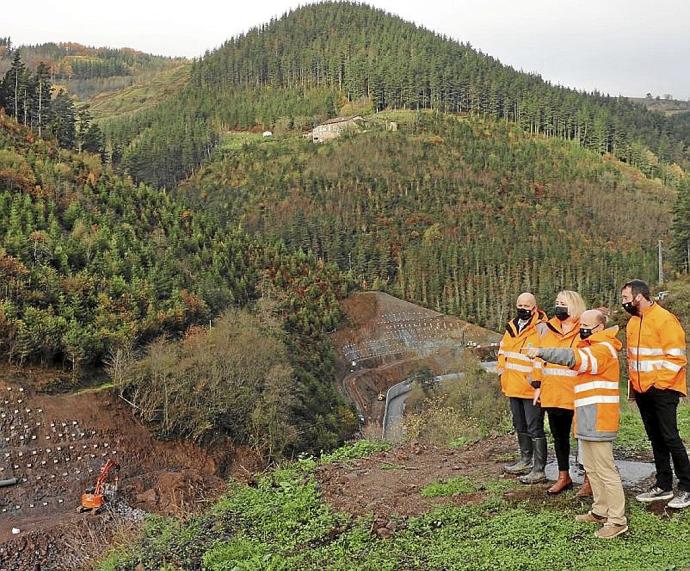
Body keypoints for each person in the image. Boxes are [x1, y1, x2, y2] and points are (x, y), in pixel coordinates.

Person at [528, 309, 628, 539]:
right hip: (586, 418)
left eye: (585, 324)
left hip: (599, 418)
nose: (580, 326)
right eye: (580, 322)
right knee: (592, 468)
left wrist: (542, 352)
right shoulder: (591, 346)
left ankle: (617, 520)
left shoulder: (603, 349)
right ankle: (601, 510)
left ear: (599, 327)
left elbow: (574, 359)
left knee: (605, 470)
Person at [621, 279, 690, 509]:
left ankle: (687, 487)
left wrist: (659, 385)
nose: (624, 303)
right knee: (655, 438)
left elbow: (677, 356)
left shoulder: (665, 319)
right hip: (642, 391)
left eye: (625, 298)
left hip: (663, 389)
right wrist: (635, 388)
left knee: (670, 437)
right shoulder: (632, 322)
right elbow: (632, 359)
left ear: (639, 297)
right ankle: (663, 484)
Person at [531, 290, 587, 495]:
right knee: (559, 437)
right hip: (553, 393)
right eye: (556, 302)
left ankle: (589, 480)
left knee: (584, 438)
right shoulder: (547, 329)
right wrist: (537, 385)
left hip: (577, 394)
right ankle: (564, 476)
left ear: (574, 305)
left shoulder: (584, 329)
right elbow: (538, 358)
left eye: (562, 303)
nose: (558, 306)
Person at [497, 292, 548, 483]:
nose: (522, 309)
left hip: (530, 388)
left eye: (526, 306)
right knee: (519, 424)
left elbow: (543, 359)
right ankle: (525, 459)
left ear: (534, 308)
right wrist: (501, 370)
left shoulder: (541, 329)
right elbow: (503, 350)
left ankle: (539, 468)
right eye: (520, 305)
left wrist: (537, 383)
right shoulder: (511, 327)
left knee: (535, 427)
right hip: (512, 385)